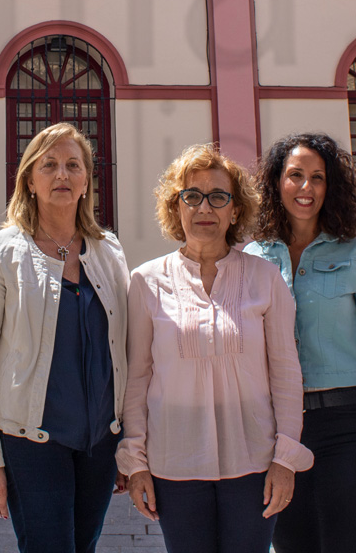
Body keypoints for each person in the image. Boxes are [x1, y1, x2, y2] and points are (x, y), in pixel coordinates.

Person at [118, 143, 313, 553]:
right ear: (177, 209)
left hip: (254, 464)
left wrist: (285, 458)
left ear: (235, 211)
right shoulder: (146, 282)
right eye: (192, 196)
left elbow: (286, 372)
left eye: (218, 197)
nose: (204, 207)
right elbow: (137, 377)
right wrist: (135, 463)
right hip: (175, 465)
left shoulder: (264, 279)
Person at [0, 122, 130, 553]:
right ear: (29, 180)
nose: (62, 175)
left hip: (100, 444)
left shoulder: (108, 250)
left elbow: (127, 351)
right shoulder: (2, 251)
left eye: (74, 165)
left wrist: (128, 444)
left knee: (84, 547)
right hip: (31, 442)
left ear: (87, 181)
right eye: (49, 165)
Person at [245, 133, 356, 553]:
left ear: (331, 187)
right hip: (277, 432)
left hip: (346, 428)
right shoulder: (252, 259)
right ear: (276, 183)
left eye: (318, 177)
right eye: (295, 175)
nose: (306, 188)